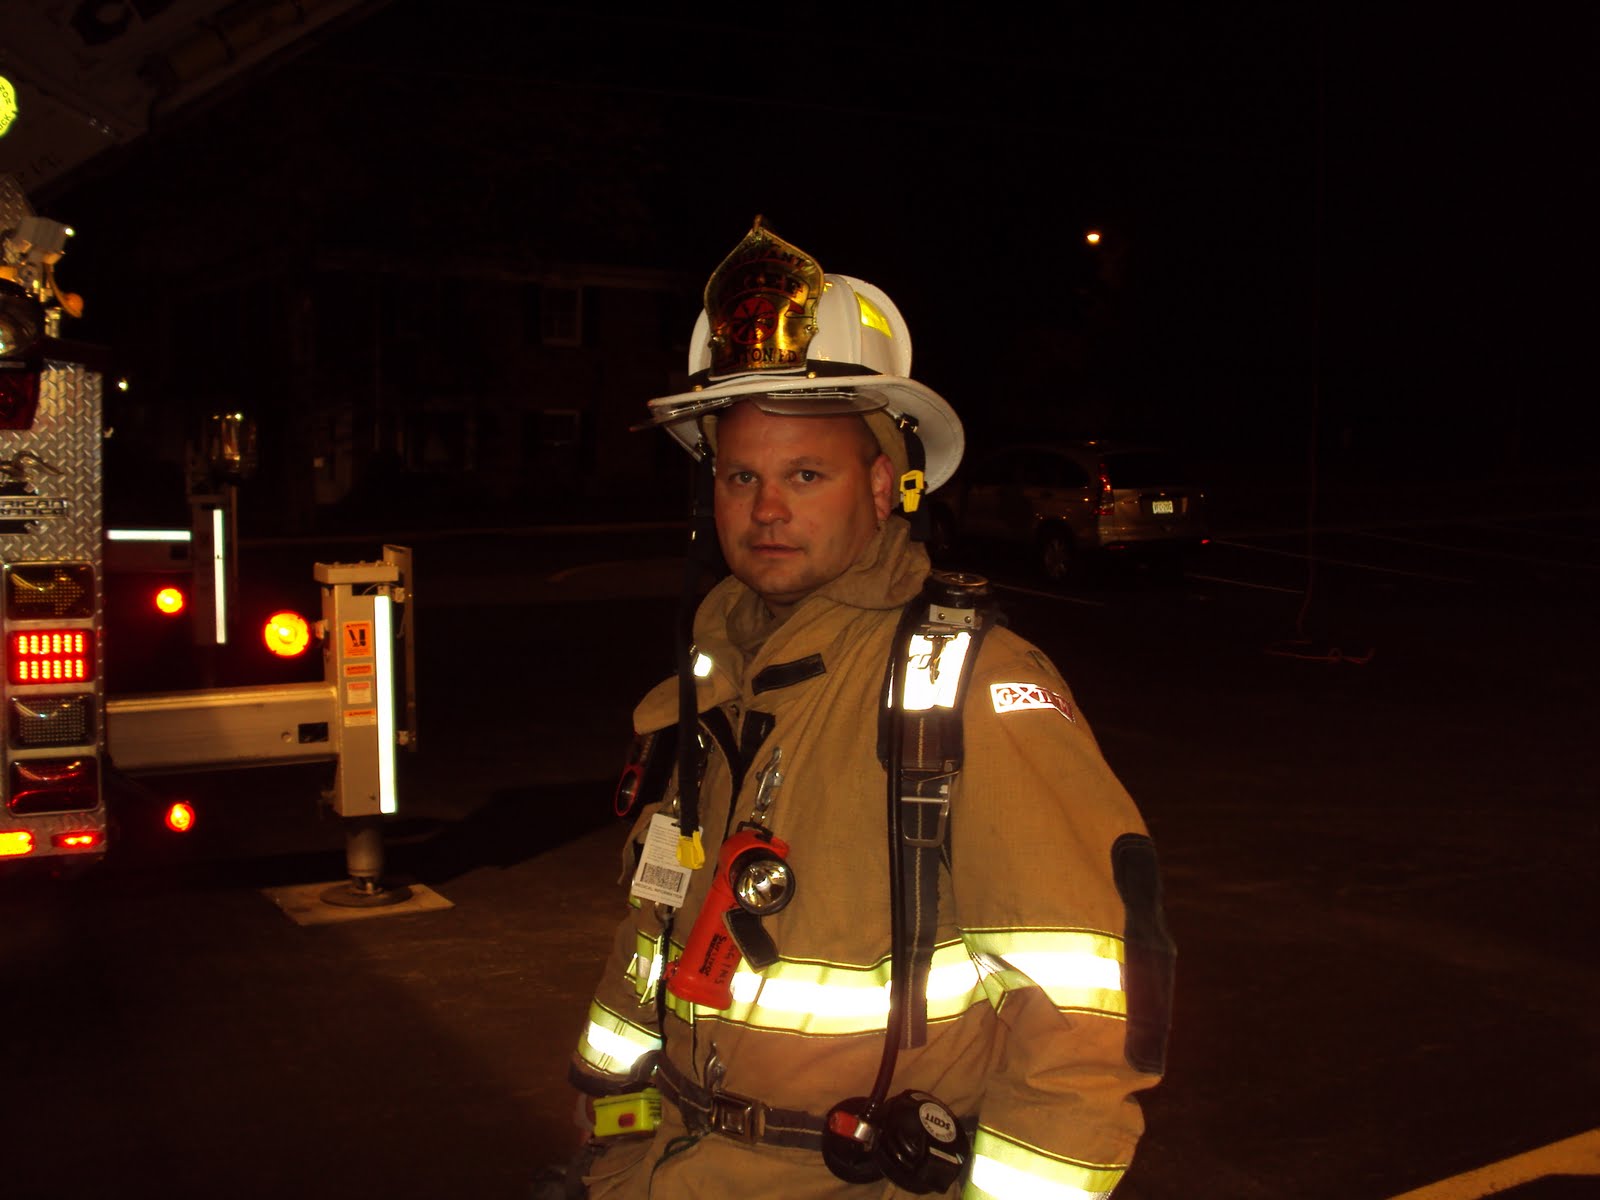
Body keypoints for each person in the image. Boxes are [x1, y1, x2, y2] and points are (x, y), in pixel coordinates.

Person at [561, 219, 1174, 1198]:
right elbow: (648, 955)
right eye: (740, 477)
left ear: (885, 485)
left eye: (806, 475)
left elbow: (1083, 1028)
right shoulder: (705, 689)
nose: (766, 510)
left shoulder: (966, 686)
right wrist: (608, 1149)